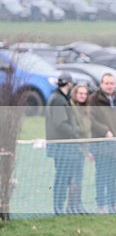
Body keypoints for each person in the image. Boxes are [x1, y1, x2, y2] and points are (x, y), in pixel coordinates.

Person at [87, 73, 116, 213]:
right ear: (101, 84)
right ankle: (101, 205)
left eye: (112, 83)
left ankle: (113, 204)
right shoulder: (94, 100)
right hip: (102, 144)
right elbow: (91, 120)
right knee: (101, 176)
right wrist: (105, 131)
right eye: (107, 83)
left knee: (112, 176)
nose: (109, 86)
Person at [45, 72, 80, 215]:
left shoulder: (58, 97)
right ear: (69, 84)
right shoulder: (59, 100)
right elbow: (61, 124)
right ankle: (58, 207)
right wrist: (75, 132)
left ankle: (59, 207)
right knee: (62, 177)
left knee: (63, 176)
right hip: (62, 146)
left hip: (60, 145)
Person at [67, 84, 92, 214]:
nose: (82, 96)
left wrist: (88, 150)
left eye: (85, 94)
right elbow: (78, 129)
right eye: (80, 93)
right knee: (74, 178)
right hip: (74, 147)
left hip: (83, 148)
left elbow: (87, 130)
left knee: (79, 178)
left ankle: (78, 204)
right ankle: (71, 206)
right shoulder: (72, 107)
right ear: (75, 94)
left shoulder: (86, 109)